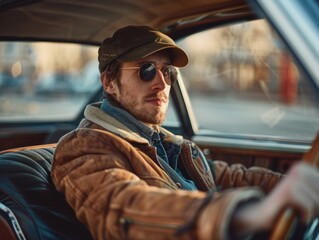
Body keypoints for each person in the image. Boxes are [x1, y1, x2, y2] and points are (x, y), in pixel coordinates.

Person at [51, 25, 319, 240]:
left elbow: (226, 175)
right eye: (146, 71)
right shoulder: (85, 146)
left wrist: (291, 186)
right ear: (109, 82)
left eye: (168, 73)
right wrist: (247, 213)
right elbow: (124, 207)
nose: (162, 83)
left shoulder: (168, 143)